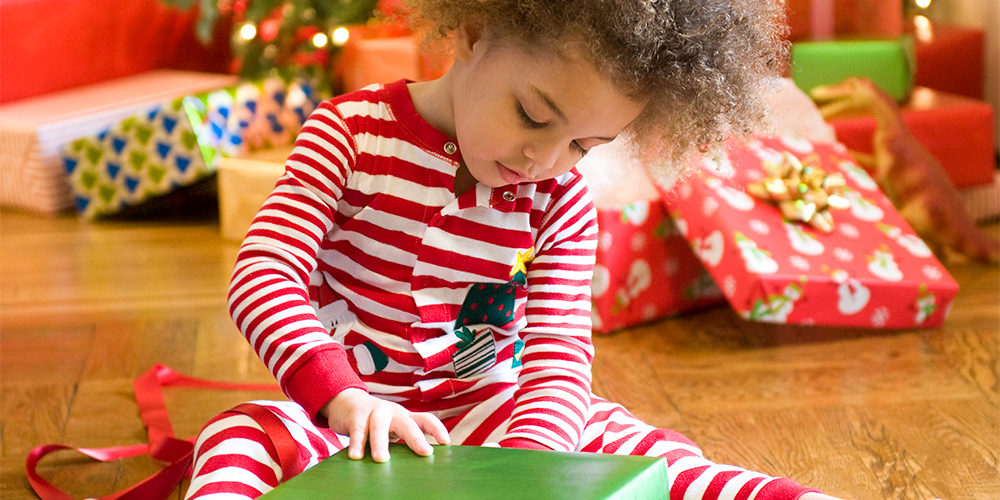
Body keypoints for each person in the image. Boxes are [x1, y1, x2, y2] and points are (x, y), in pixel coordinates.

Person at [185, 0, 844, 498]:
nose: (546, 159)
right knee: (237, 438)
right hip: (344, 420)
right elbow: (265, 271)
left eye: (585, 146)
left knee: (640, 450)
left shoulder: (560, 196)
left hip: (492, 415)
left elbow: (558, 351)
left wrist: (526, 469)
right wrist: (343, 397)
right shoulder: (349, 135)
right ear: (474, 33)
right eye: (533, 115)